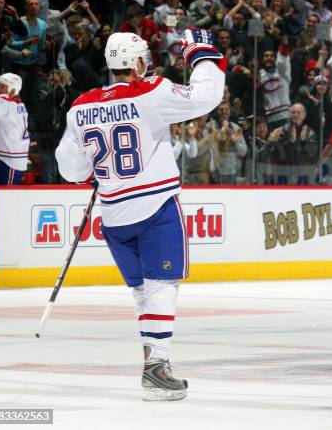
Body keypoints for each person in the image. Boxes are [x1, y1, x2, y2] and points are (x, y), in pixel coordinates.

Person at [55, 28, 225, 400]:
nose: (147, 64)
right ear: (134, 63)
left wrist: (92, 171)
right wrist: (201, 52)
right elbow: (208, 95)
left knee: (142, 292)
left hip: (113, 217)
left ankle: (153, 358)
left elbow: (70, 168)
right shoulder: (152, 92)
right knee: (162, 287)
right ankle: (157, 366)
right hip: (154, 208)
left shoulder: (80, 106)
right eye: (143, 59)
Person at [0, 73, 29, 184]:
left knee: (4, 197)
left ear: (12, 91)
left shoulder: (7, 106)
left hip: (9, 162)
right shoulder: (18, 105)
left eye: (2, 87)